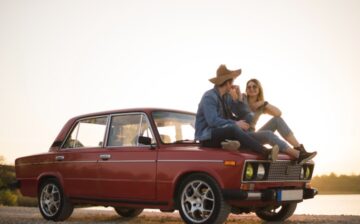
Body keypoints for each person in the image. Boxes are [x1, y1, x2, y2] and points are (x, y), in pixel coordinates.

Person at [195, 65, 279, 161]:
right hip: (208, 137)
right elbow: (212, 121)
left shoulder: (226, 97)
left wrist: (238, 97)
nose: (233, 85)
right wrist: (235, 123)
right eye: (232, 82)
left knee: (248, 117)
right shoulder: (209, 97)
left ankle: (234, 143)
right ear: (227, 83)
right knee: (234, 128)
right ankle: (265, 152)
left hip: (223, 131)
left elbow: (243, 113)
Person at [239, 78, 317, 164]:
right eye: (249, 87)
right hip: (243, 135)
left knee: (277, 120)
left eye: (254, 87)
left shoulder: (262, 106)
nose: (251, 89)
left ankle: (299, 148)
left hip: (253, 135)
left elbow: (278, 113)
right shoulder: (242, 98)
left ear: (259, 89)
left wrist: (264, 103)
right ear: (246, 90)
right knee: (268, 134)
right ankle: (298, 155)